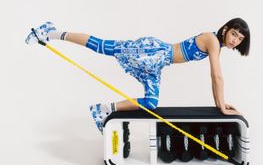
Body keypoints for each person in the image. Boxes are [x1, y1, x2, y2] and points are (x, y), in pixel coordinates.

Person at [25, 18, 250, 131]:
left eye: (239, 39)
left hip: (157, 64)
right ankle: (51, 31)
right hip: (153, 52)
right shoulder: (212, 40)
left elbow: (215, 78)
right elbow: (216, 77)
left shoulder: (217, 45)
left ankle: (103, 110)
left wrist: (220, 105)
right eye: (233, 34)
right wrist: (221, 106)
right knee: (103, 46)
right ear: (224, 30)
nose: (235, 40)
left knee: (151, 103)